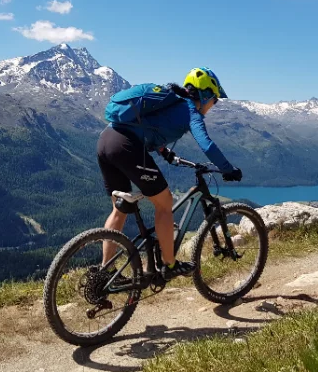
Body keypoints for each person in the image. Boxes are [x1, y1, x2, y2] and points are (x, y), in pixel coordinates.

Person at [96, 67, 242, 281]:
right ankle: (169, 264)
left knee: (120, 208)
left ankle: (106, 271)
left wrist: (165, 152)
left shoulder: (171, 101)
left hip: (106, 141)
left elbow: (150, 128)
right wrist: (228, 169)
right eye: (215, 100)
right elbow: (207, 145)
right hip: (126, 146)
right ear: (206, 94)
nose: (214, 105)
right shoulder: (190, 109)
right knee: (165, 203)